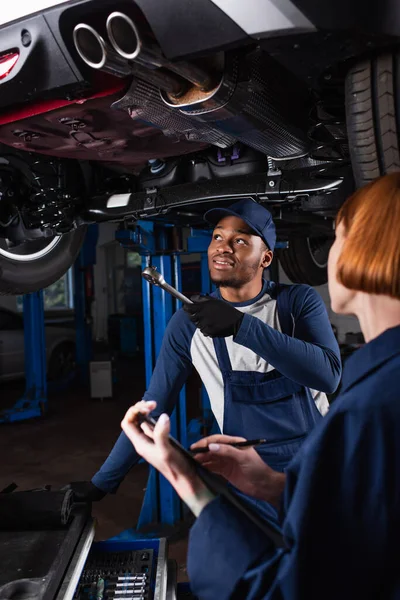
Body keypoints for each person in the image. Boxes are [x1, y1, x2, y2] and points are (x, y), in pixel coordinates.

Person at [121, 173, 400, 599]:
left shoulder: (375, 407)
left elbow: (285, 588)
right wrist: (272, 486)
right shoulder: (380, 382)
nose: (330, 250)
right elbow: (353, 521)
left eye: (337, 234)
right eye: (218, 237)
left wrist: (188, 483)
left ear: (372, 250)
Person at [70, 198, 340, 508]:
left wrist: (241, 326)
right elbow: (153, 407)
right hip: (247, 476)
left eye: (240, 240)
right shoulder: (188, 324)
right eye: (217, 237)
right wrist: (101, 484)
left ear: (265, 258)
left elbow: (328, 375)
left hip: (319, 465)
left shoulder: (296, 303)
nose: (223, 247)